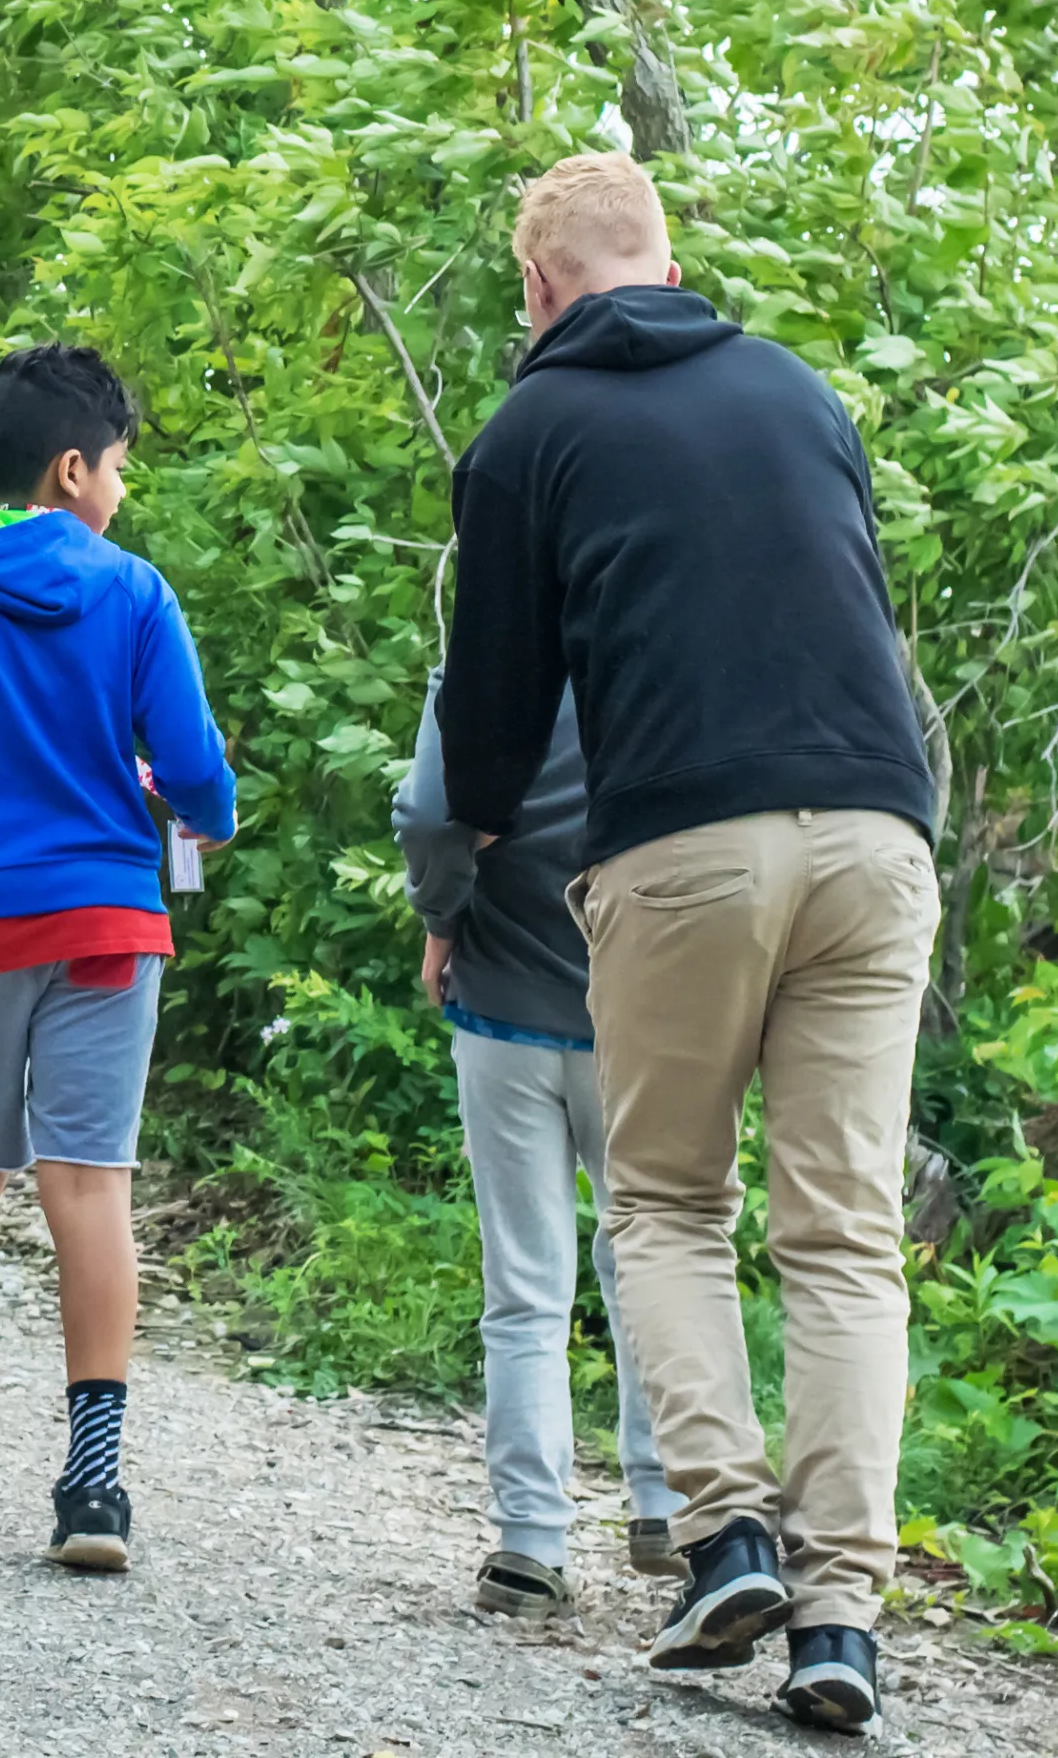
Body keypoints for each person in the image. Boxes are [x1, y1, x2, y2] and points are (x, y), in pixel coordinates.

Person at [435, 151, 937, 1734]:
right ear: (667, 258)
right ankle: (844, 1619)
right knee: (845, 1237)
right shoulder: (797, 389)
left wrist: (465, 875)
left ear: (537, 290)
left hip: (682, 850)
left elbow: (494, 717)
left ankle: (725, 1531)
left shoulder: (531, 432)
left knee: (661, 1199)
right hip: (877, 829)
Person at [0, 345, 232, 1576]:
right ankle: (92, 1487)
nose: (122, 491)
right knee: (89, 1186)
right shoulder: (135, 594)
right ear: (73, 467)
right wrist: (199, 809)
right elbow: (193, 773)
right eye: (120, 467)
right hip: (102, 926)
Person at [393, 678, 686, 1620]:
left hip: (503, 1004)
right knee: (654, 1261)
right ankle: (665, 1507)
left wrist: (442, 920)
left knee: (523, 1285)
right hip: (644, 1013)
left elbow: (432, 814)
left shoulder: (488, 659)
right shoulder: (659, 648)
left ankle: (530, 1542)